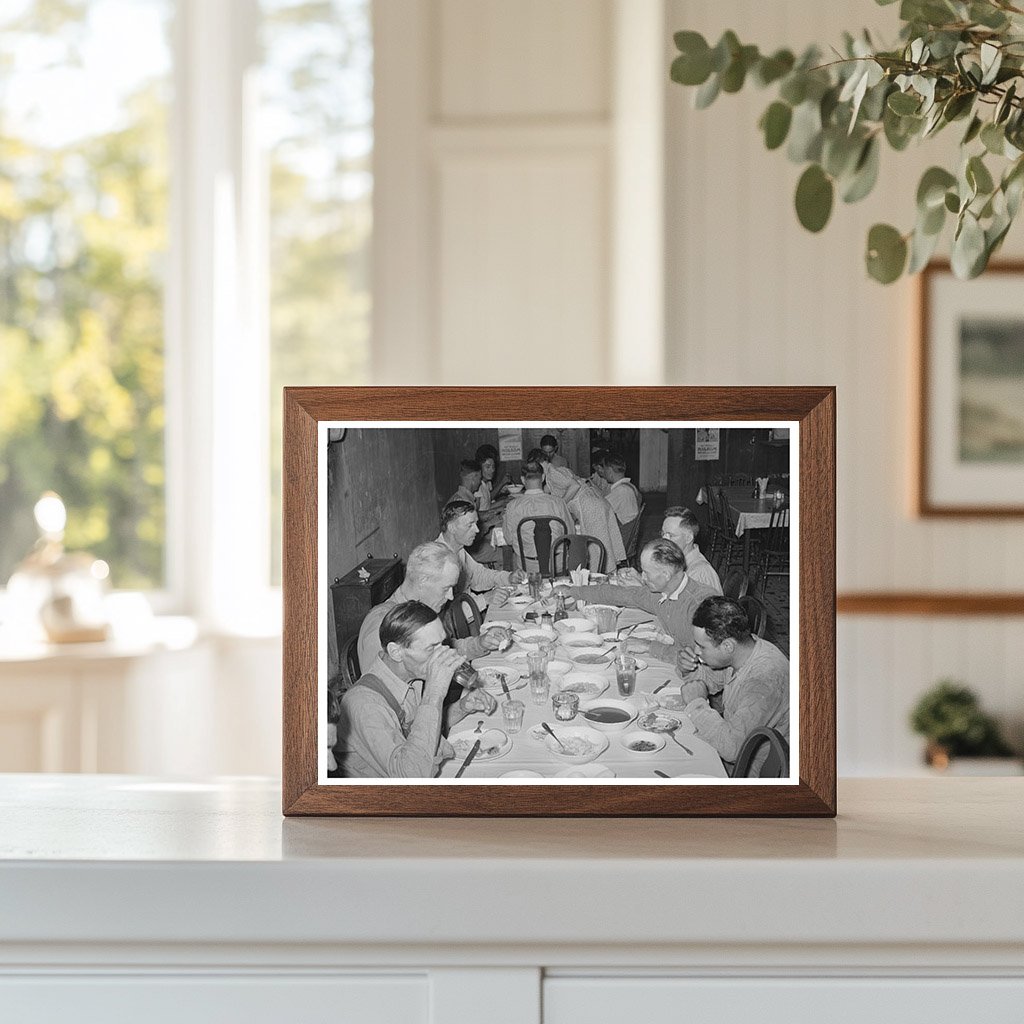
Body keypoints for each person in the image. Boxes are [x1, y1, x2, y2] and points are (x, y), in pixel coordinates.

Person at [337, 601, 498, 778]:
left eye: (442, 643)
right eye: (432, 648)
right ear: (396, 652)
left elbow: (417, 733)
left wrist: (461, 708)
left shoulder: (410, 676)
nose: (443, 653)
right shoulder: (365, 705)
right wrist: (434, 693)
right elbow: (411, 775)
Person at [675, 596, 790, 774]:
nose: (696, 651)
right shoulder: (744, 649)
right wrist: (688, 669)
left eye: (702, 647)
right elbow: (710, 682)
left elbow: (732, 749)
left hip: (754, 770)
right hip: (734, 745)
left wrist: (697, 704)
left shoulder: (763, 681)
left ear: (728, 645)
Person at [357, 541, 512, 670]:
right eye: (446, 588)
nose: (450, 596)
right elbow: (381, 698)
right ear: (423, 581)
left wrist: (480, 643)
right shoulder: (382, 626)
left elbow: (444, 650)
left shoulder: (422, 610)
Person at [554, 539, 716, 658]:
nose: (643, 578)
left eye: (646, 572)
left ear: (666, 574)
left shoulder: (699, 605)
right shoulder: (662, 592)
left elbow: (700, 659)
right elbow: (619, 594)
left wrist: (649, 646)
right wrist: (573, 591)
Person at [543, 462, 626, 567]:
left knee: (596, 547)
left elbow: (575, 486)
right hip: (596, 500)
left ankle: (601, 575)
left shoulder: (552, 472)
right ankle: (606, 572)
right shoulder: (559, 469)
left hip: (590, 505)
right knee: (604, 544)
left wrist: (561, 505)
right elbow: (548, 489)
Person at [439, 500, 525, 596]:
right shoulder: (440, 560)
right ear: (452, 528)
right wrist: (485, 599)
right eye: (470, 525)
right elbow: (451, 608)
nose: (477, 530)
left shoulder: (458, 549)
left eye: (476, 524)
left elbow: (478, 575)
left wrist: (508, 577)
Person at [502, 459, 574, 573]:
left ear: (522, 479)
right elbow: (570, 534)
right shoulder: (558, 503)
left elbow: (509, 540)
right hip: (556, 565)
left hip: (528, 567)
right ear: (544, 477)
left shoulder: (512, 506)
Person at [661, 506, 722, 595]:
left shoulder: (698, 573)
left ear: (688, 538)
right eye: (663, 533)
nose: (664, 539)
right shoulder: (676, 559)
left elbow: (676, 606)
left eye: (671, 535)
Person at [601, 452, 640, 528]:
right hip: (630, 529)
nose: (603, 472)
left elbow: (601, 508)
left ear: (609, 471)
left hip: (624, 532)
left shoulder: (621, 491)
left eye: (604, 469)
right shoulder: (630, 486)